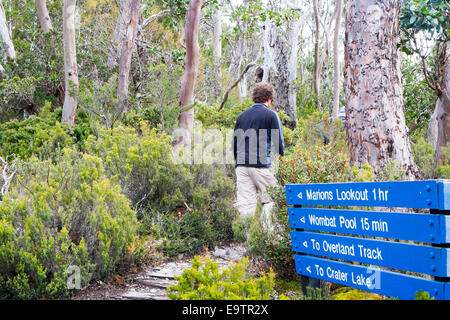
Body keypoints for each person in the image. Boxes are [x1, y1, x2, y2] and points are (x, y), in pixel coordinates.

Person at [232, 82, 285, 233]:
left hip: (241, 166)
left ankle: (247, 240)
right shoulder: (271, 115)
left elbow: (235, 144)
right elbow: (278, 144)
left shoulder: (241, 117)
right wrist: (280, 163)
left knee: (246, 205)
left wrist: (239, 162)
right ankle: (269, 236)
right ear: (269, 99)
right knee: (272, 199)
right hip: (261, 165)